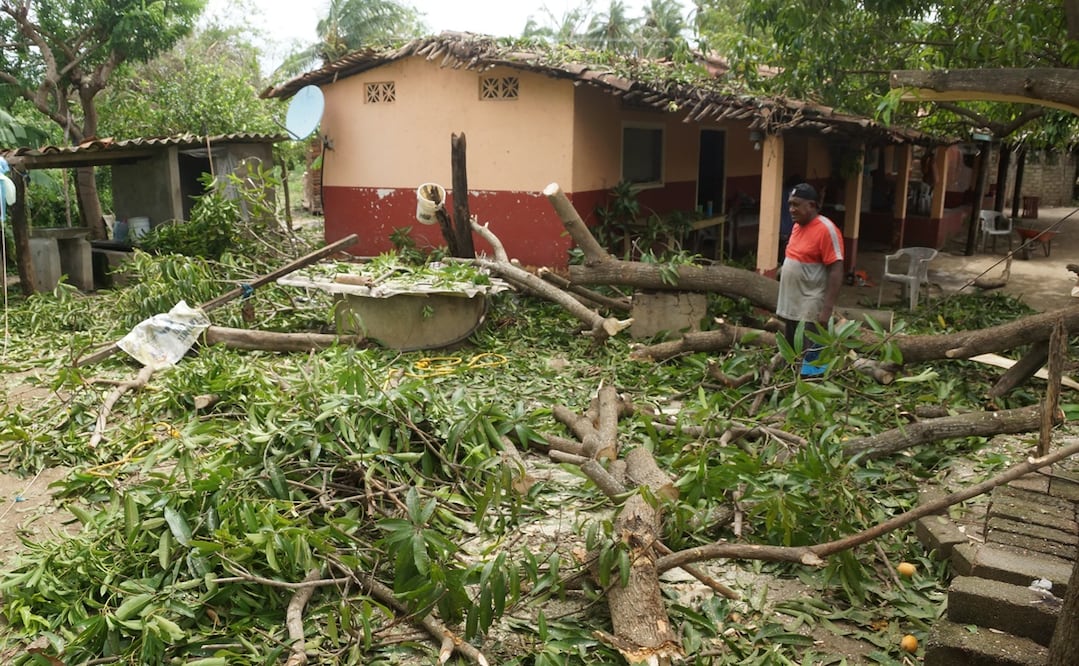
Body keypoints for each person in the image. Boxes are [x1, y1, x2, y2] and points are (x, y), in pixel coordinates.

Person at [776, 183, 845, 375]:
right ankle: (791, 382)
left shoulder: (826, 229)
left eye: (796, 204)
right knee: (792, 351)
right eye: (790, 204)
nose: (791, 209)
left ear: (812, 205)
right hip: (792, 303)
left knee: (812, 354)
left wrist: (827, 309)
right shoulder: (797, 226)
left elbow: (836, 269)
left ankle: (813, 384)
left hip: (811, 304)